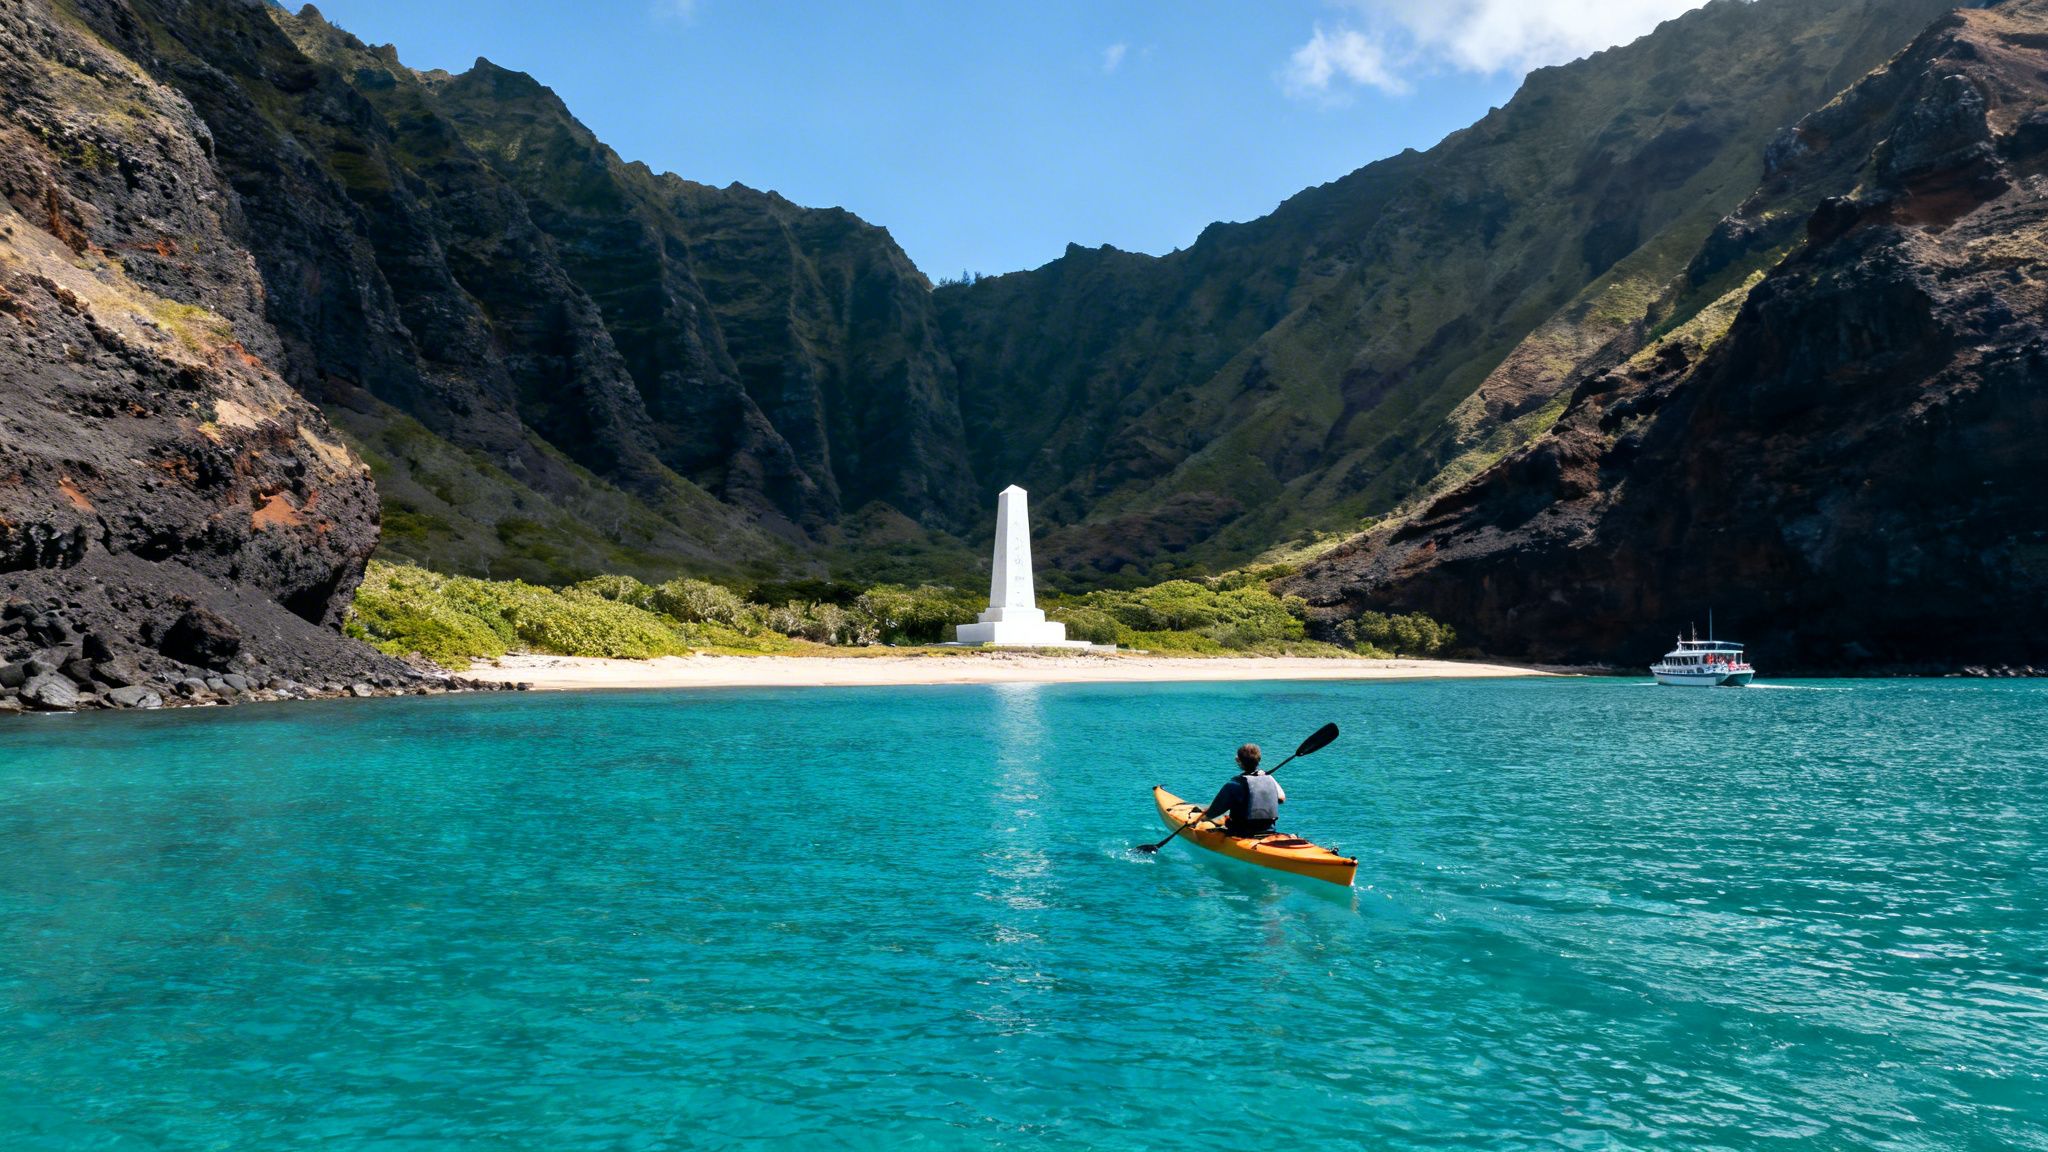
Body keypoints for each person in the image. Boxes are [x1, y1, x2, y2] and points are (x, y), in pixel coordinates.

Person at [1203, 743, 1285, 838]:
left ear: (1238, 760)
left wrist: (1202, 820)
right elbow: (1281, 798)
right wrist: (1269, 777)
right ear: (1259, 760)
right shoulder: (1269, 779)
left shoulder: (1234, 784)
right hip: (1268, 832)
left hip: (1241, 833)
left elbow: (1214, 812)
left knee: (1212, 822)